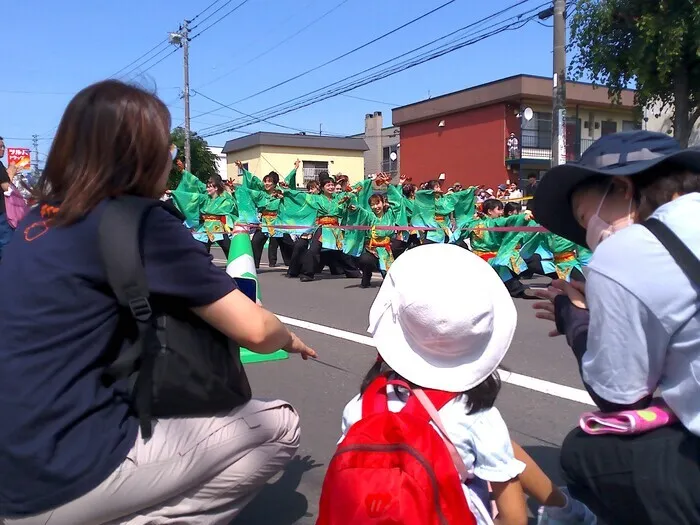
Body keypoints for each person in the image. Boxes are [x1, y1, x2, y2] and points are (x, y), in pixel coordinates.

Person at [0, 80, 317, 525]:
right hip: (65, 470)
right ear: (143, 157)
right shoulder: (138, 219)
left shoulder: (41, 216)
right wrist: (288, 337)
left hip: (13, 464)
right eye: (165, 152)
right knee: (279, 425)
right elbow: (257, 331)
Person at [336, 244, 594, 525]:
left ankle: (563, 507)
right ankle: (566, 510)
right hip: (450, 511)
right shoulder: (474, 417)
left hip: (375, 511)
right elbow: (514, 516)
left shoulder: (360, 406)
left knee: (495, 445)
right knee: (492, 447)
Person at [531, 130, 700, 525]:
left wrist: (574, 319)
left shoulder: (626, 251)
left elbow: (619, 396)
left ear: (623, 187)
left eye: (583, 216)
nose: (590, 234)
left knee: (584, 451)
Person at [0, 136, 15, 259]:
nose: (3, 149)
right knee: (6, 243)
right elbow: (7, 188)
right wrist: (11, 172)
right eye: (0, 146)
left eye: (3, 146)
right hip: (1, 213)